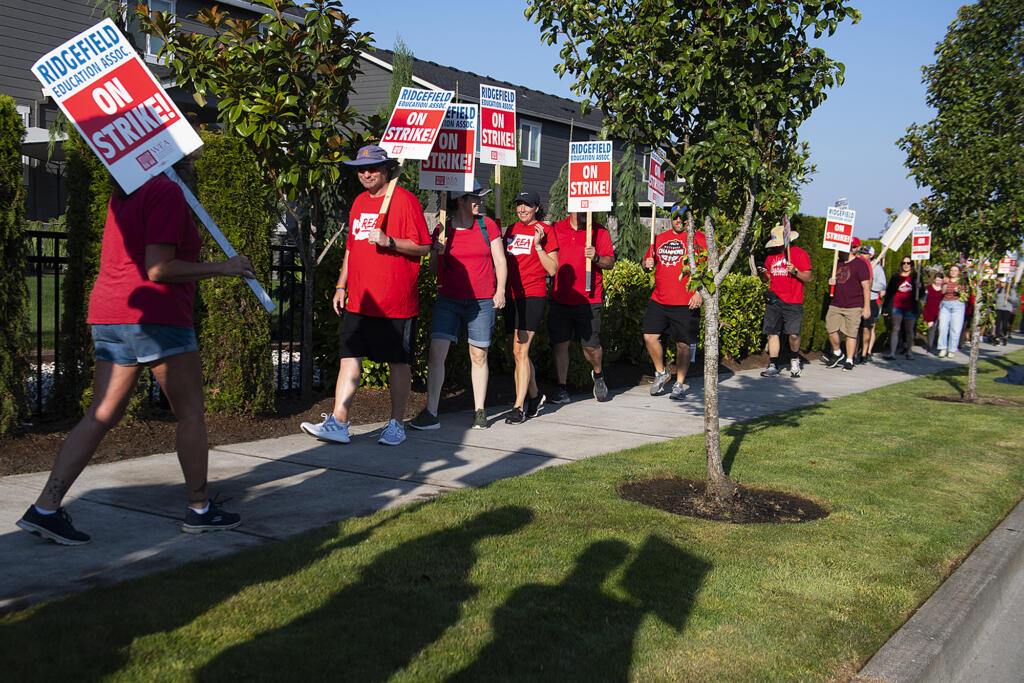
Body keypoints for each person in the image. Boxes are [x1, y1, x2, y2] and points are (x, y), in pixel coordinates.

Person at [17, 156, 253, 545]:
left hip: (110, 313)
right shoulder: (165, 190)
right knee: (191, 413)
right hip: (156, 318)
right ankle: (200, 509)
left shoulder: (124, 194)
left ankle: (45, 507)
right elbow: (159, 269)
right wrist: (223, 267)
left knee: (101, 414)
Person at [301, 145, 431, 446]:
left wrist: (390, 241)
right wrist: (341, 285)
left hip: (395, 302)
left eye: (372, 168)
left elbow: (423, 247)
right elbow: (351, 248)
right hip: (359, 298)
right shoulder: (359, 202)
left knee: (398, 363)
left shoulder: (405, 200)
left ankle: (396, 424)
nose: (366, 173)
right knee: (349, 358)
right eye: (361, 169)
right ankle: (339, 422)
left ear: (386, 169)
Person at [410, 182, 507, 431]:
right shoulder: (443, 229)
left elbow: (500, 260)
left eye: (481, 198)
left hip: (482, 301)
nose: (480, 202)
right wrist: (436, 252)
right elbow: (434, 272)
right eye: (476, 198)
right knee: (436, 354)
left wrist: (500, 290)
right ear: (461, 200)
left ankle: (479, 411)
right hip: (449, 300)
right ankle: (431, 412)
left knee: (479, 355)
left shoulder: (488, 226)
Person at [547, 211, 616, 403]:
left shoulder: (599, 231)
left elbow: (610, 262)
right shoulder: (557, 228)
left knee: (591, 347)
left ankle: (598, 374)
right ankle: (562, 388)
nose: (586, 213)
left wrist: (595, 257)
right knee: (560, 344)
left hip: (589, 299)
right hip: (560, 297)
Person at [502, 190, 558, 423]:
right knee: (516, 352)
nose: (522, 209)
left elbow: (552, 269)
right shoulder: (511, 230)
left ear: (536, 207)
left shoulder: (546, 231)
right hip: (510, 296)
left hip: (532, 295)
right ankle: (535, 396)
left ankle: (518, 406)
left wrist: (538, 245)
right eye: (519, 205)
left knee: (522, 351)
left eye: (527, 205)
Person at [643, 204, 706, 398]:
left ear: (690, 219)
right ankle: (661, 373)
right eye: (676, 217)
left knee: (683, 345)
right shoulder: (659, 239)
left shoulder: (700, 240)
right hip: (659, 299)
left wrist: (700, 293)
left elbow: (709, 270)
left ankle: (679, 384)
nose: (679, 221)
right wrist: (646, 265)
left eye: (683, 217)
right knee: (649, 337)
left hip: (686, 302)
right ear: (671, 218)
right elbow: (647, 266)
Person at [757, 223, 812, 378]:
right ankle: (773, 364)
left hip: (793, 300)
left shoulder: (799, 254)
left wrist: (795, 271)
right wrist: (762, 272)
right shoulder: (771, 257)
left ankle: (794, 359)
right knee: (772, 332)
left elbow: (808, 277)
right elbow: (766, 278)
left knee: (793, 333)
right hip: (774, 299)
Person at [824, 243, 872, 371]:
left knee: (851, 333)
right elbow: (835, 281)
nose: (837, 252)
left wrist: (866, 307)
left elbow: (866, 287)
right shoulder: (837, 263)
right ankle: (837, 352)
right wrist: (830, 282)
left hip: (854, 305)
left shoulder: (860, 264)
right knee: (831, 328)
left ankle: (849, 360)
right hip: (836, 303)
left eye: (839, 249)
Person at [881, 256, 923, 360]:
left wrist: (920, 287)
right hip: (897, 306)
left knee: (909, 330)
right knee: (895, 328)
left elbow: (921, 295)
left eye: (908, 263)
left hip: (910, 307)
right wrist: (885, 308)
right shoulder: (895, 277)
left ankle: (909, 351)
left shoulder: (915, 277)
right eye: (904, 263)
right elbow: (889, 293)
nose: (906, 265)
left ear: (912, 265)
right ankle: (892, 353)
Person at [859, 245, 886, 363]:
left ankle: (866, 353)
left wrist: (870, 285)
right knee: (857, 328)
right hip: (858, 299)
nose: (862, 255)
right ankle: (856, 352)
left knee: (867, 328)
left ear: (871, 256)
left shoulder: (877, 268)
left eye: (865, 253)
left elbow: (882, 285)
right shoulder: (858, 264)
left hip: (871, 300)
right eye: (861, 253)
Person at [936, 264, 966, 357]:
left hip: (958, 305)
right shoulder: (946, 280)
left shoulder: (962, 282)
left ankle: (951, 350)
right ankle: (942, 348)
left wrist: (960, 290)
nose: (953, 272)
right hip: (946, 304)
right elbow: (943, 292)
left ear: (959, 272)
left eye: (955, 270)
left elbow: (965, 295)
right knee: (942, 327)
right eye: (951, 270)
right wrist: (945, 284)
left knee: (955, 329)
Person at [922, 270, 945, 353]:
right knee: (931, 327)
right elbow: (924, 299)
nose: (938, 281)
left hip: (939, 311)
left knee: (939, 328)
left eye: (940, 280)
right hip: (929, 310)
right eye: (937, 279)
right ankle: (930, 345)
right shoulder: (928, 288)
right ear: (934, 279)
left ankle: (937, 344)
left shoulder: (943, 290)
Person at [994, 277, 1017, 345]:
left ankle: (1004, 336)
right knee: (997, 323)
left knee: (1004, 324)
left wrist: (1009, 297)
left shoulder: (1011, 291)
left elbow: (1015, 301)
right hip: (998, 308)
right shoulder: (998, 290)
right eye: (1001, 282)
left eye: (1004, 282)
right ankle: (997, 338)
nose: (1002, 284)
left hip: (1006, 309)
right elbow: (994, 299)